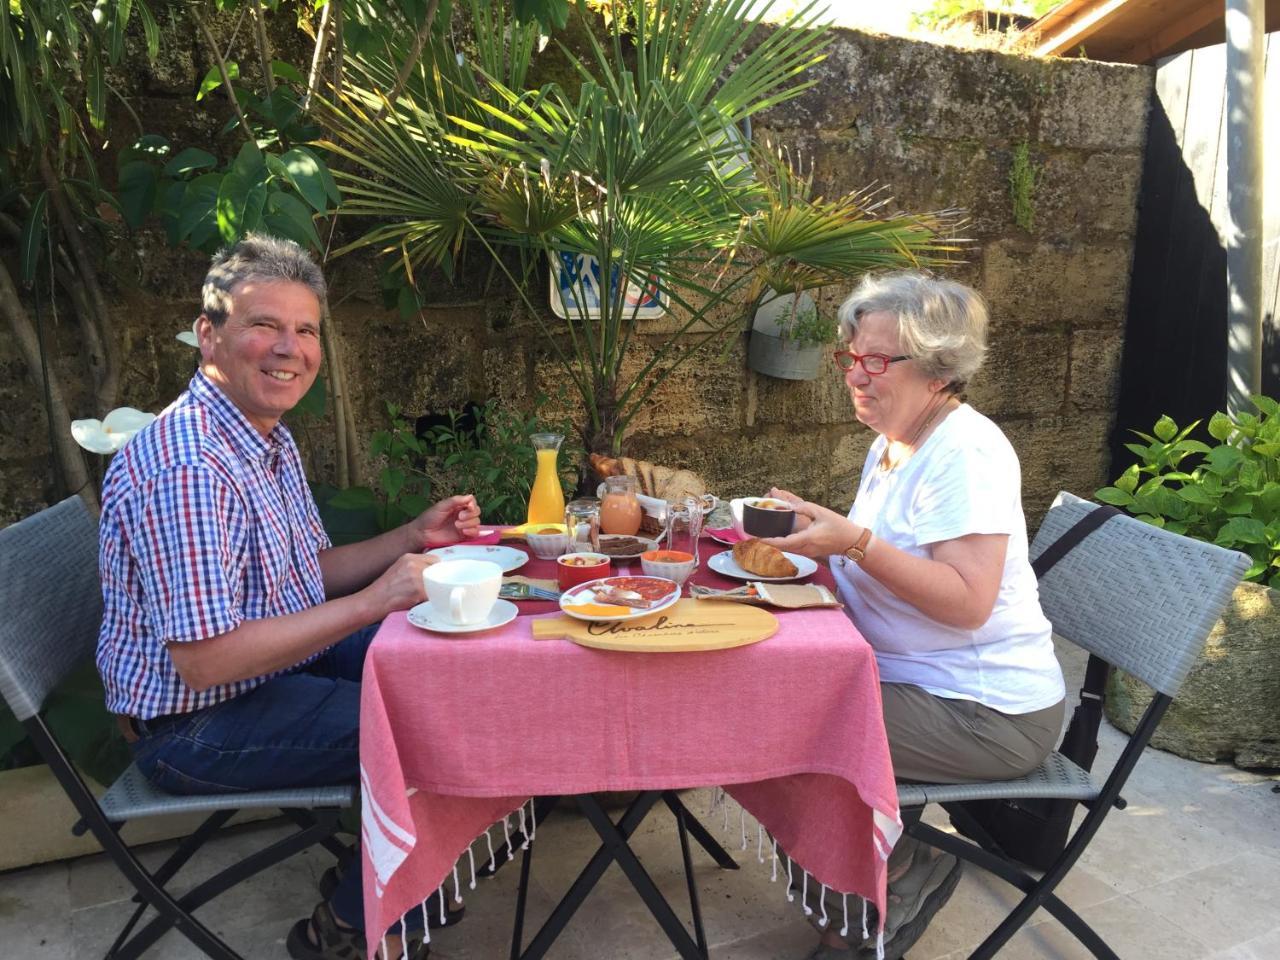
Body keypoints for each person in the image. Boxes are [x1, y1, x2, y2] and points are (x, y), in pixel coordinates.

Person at [96, 233, 482, 960]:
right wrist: (376, 601)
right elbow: (208, 663)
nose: (289, 348)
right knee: (439, 732)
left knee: (458, 670)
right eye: (263, 325)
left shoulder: (260, 434)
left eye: (305, 330)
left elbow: (305, 572)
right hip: (194, 725)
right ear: (209, 335)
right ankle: (348, 926)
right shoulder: (191, 467)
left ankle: (398, 866)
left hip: (272, 666)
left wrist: (408, 538)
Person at [762, 272, 1066, 960]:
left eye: (876, 361)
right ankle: (867, 874)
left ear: (937, 369)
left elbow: (966, 602)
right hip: (919, 681)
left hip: (985, 711)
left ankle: (903, 876)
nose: (855, 376)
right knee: (771, 698)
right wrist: (817, 536)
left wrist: (853, 541)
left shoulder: (966, 452)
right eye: (851, 356)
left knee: (783, 730)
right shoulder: (895, 442)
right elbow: (874, 561)